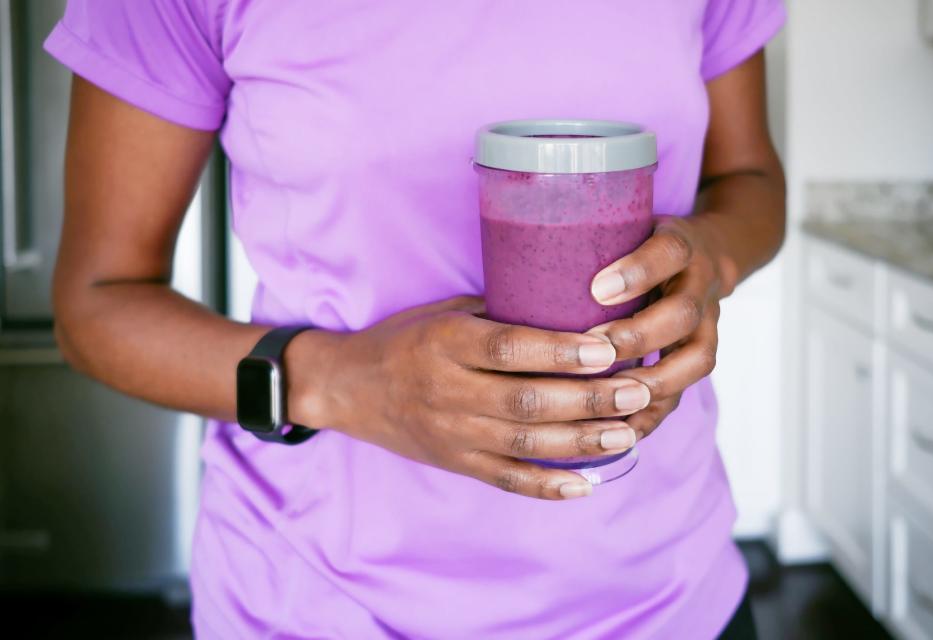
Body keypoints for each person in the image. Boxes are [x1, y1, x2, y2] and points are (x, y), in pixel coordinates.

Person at [45, 1, 787, 638]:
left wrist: (710, 254)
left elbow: (749, 177)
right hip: (324, 603)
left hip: (670, 596)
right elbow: (97, 301)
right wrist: (339, 383)